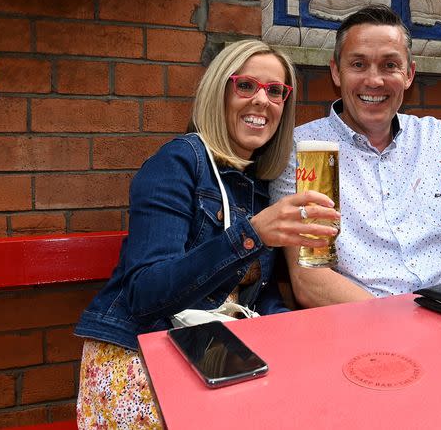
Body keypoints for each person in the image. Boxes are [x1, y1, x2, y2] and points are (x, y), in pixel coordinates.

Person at [74, 40, 339, 429]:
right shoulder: (178, 162)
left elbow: (255, 293)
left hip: (211, 357)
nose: (262, 101)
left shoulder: (258, 183)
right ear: (220, 91)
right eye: (245, 86)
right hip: (140, 358)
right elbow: (145, 294)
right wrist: (250, 236)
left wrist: (295, 337)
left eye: (275, 91)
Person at [270, 5, 441, 307]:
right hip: (361, 325)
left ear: (409, 74)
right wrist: (398, 326)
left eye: (390, 66)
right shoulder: (303, 150)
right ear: (336, 71)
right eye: (358, 64)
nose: (374, 81)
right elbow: (310, 281)